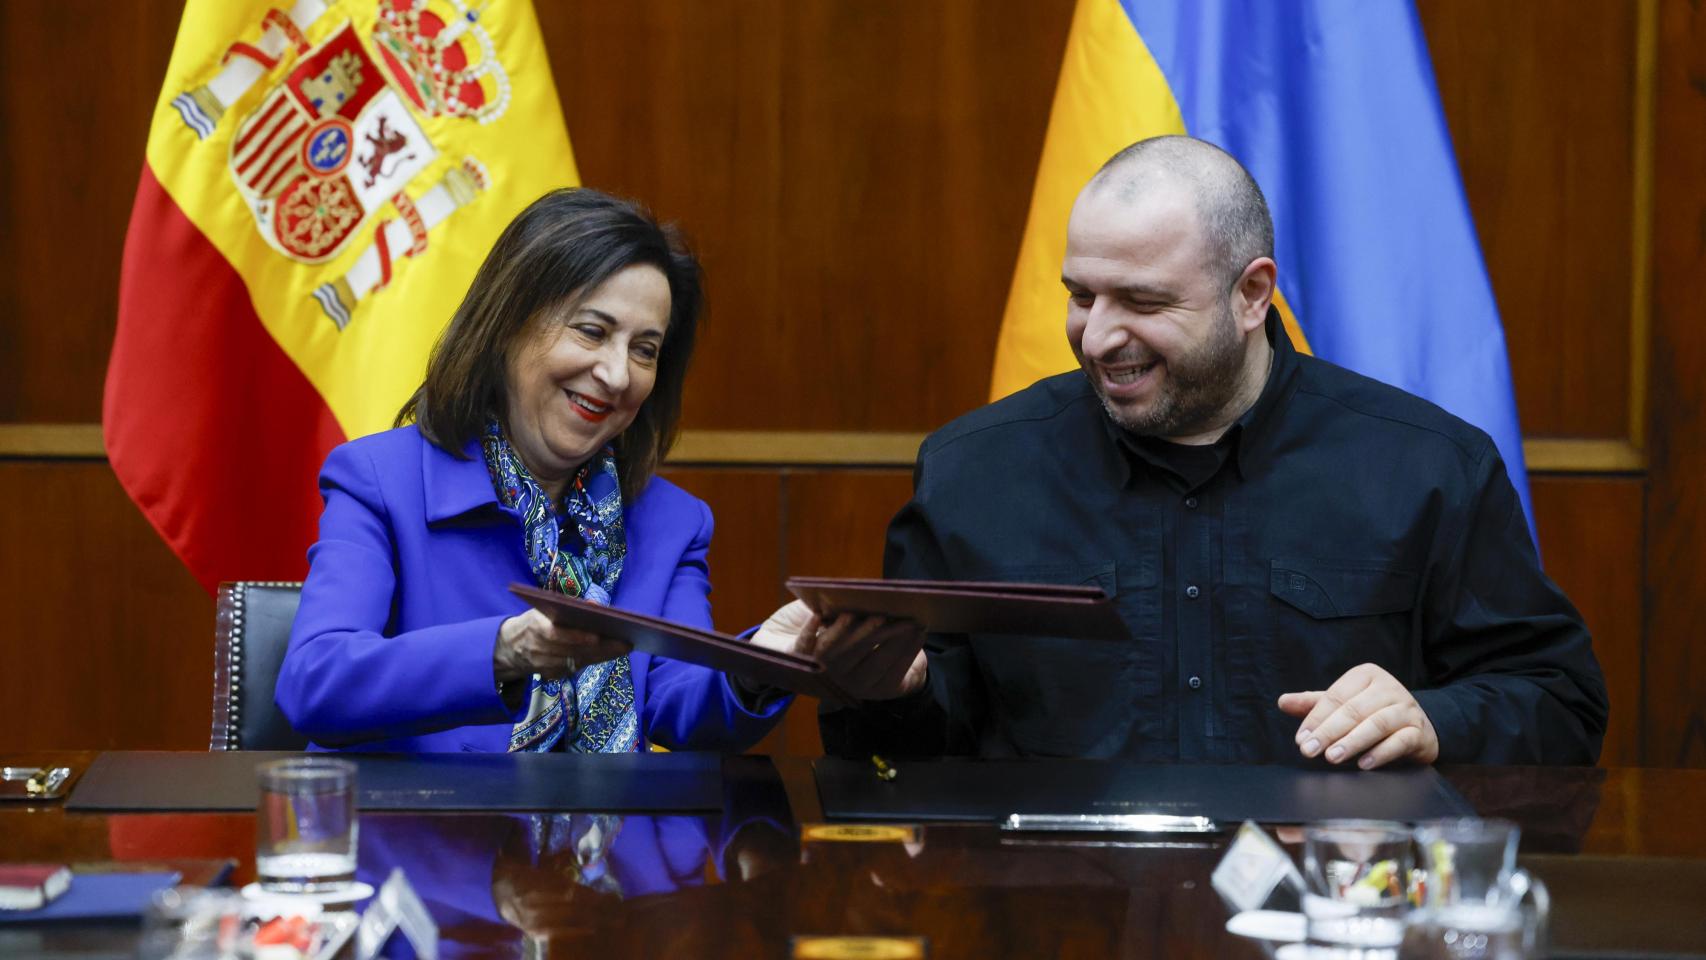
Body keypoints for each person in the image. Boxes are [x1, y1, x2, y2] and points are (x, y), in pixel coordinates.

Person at [822, 136, 1608, 768]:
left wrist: (1436, 719)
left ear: (1252, 294)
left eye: (1143, 301)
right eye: (1082, 295)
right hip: (1065, 917)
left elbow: (1561, 703)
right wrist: (888, 694)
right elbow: (904, 762)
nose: (1096, 338)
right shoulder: (975, 472)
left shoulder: (1427, 467)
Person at [277, 188, 923, 753]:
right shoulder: (379, 480)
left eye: (645, 350)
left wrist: (762, 665)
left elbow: (676, 702)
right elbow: (314, 681)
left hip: (607, 875)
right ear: (506, 328)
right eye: (592, 332)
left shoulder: (672, 520)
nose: (617, 375)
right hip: (425, 868)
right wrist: (503, 651)